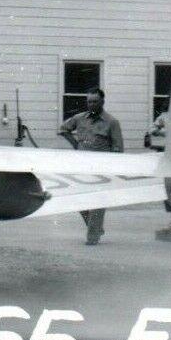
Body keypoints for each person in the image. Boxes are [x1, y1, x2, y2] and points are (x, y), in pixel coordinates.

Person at [59, 87, 124, 245]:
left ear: (102, 101)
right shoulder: (80, 118)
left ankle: (92, 235)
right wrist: (75, 144)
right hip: (81, 165)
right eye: (89, 101)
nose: (91, 104)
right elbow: (63, 129)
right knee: (78, 199)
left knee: (97, 201)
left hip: (102, 167)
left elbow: (118, 149)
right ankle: (96, 228)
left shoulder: (112, 122)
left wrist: (112, 170)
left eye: (95, 101)